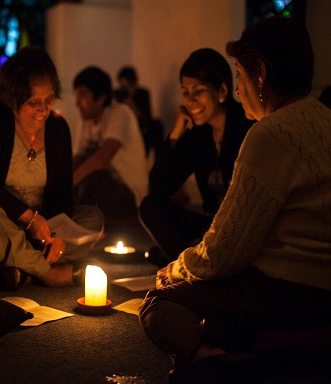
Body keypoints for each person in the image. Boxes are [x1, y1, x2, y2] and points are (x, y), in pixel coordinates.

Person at [139, 16, 331, 384]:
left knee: (159, 301)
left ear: (260, 74)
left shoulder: (268, 134)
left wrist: (176, 271)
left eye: (240, 76)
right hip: (319, 289)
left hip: (287, 290)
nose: (240, 89)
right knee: (222, 319)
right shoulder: (324, 119)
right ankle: (247, 348)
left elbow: (226, 252)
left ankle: (211, 360)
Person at [0, 47, 104, 290]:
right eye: (34, 102)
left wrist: (59, 238)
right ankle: (47, 274)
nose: (43, 110)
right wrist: (28, 217)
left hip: (41, 229)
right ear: (13, 99)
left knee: (93, 217)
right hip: (6, 223)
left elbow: (62, 193)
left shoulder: (58, 128)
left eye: (49, 100)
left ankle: (22, 269)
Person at [139, 48, 252, 266]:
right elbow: (159, 188)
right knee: (150, 207)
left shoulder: (245, 125)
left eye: (198, 91)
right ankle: (192, 267)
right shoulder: (198, 135)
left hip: (241, 229)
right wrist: (174, 135)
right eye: (185, 92)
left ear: (221, 90)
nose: (190, 101)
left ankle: (196, 266)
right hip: (210, 226)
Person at [72, 66, 149, 224]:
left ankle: (95, 225)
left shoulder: (120, 113)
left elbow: (102, 158)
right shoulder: (86, 119)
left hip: (130, 193)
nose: (77, 103)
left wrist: (69, 183)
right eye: (76, 96)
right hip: (107, 188)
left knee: (93, 177)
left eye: (83, 96)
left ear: (100, 97)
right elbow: (78, 158)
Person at [115, 66, 162, 156]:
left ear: (135, 84)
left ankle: (158, 160)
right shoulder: (117, 96)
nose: (125, 90)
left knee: (157, 125)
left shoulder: (142, 94)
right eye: (122, 86)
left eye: (128, 85)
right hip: (124, 127)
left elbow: (146, 118)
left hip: (141, 127)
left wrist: (130, 103)